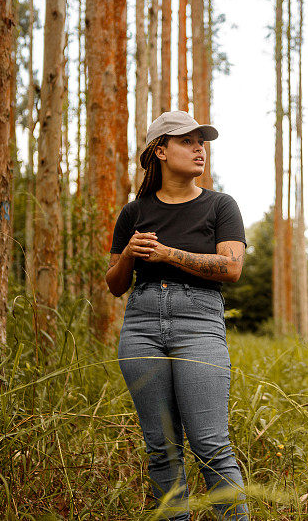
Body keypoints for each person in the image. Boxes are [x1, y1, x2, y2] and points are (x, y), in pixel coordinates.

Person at [106, 110, 249, 520]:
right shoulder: (134, 213)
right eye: (187, 141)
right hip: (141, 325)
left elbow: (232, 267)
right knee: (162, 449)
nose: (199, 148)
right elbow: (115, 284)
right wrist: (130, 255)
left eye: (200, 142)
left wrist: (167, 253)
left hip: (199, 324)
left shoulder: (220, 205)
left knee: (211, 445)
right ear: (161, 152)